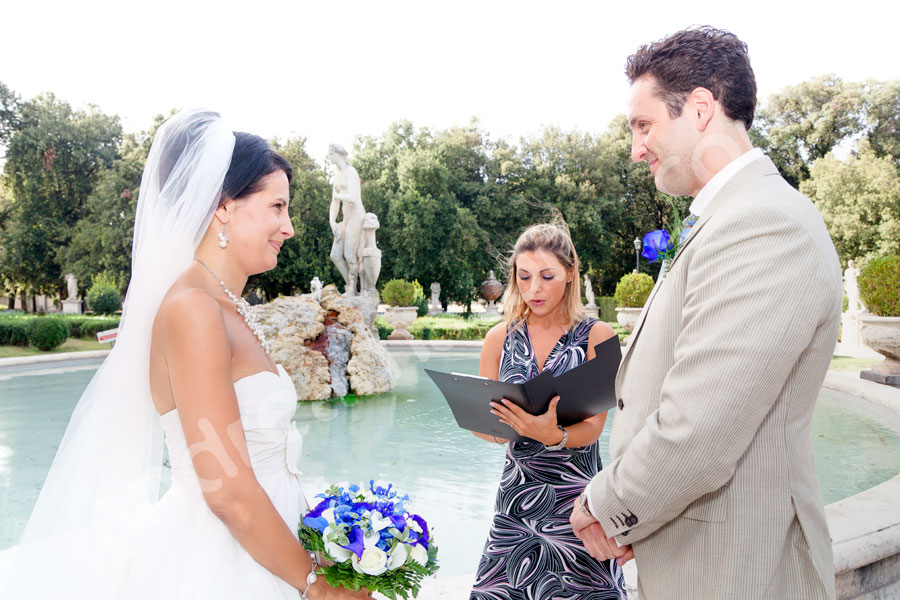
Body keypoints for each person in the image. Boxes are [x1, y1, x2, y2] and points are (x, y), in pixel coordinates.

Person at [3, 110, 367, 600]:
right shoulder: (192, 309)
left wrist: (325, 550)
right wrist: (316, 587)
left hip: (274, 548)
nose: (289, 227)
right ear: (224, 207)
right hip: (219, 564)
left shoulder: (228, 305)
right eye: (277, 207)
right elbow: (226, 490)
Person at [569, 27, 841, 599]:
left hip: (737, 570)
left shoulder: (765, 224)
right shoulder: (729, 218)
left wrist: (604, 504)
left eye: (644, 126)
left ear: (699, 109)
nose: (636, 149)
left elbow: (699, 429)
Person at [470, 221, 626, 599]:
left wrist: (553, 436)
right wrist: (498, 427)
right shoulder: (499, 337)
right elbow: (483, 425)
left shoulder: (598, 336)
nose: (534, 289)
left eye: (546, 276)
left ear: (570, 273)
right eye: (524, 277)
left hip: (578, 502)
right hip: (516, 500)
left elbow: (594, 428)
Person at [328, 143, 366, 296]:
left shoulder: (351, 172)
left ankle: (353, 289)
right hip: (345, 218)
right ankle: (349, 284)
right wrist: (332, 222)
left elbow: (353, 197)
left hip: (357, 216)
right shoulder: (337, 176)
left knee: (350, 254)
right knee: (335, 255)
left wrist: (338, 196)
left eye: (331, 154)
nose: (330, 157)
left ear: (339, 154)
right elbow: (334, 203)